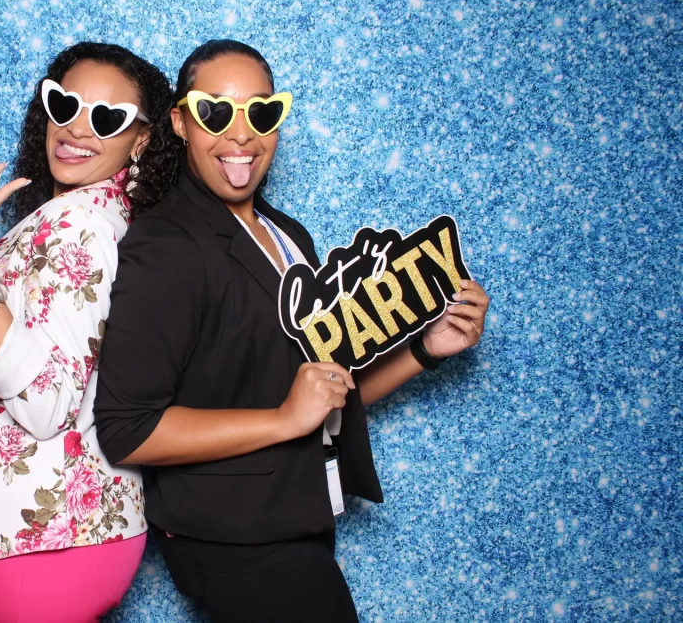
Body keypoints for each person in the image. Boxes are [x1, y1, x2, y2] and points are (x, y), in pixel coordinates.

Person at [93, 39, 491, 623]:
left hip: (295, 521)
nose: (241, 134)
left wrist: (426, 351)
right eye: (215, 112)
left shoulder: (288, 236)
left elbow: (325, 393)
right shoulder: (167, 245)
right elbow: (127, 430)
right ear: (180, 122)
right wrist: (284, 419)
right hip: (233, 539)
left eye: (261, 112)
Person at [0, 42, 180, 623]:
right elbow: (63, 356)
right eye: (65, 104)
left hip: (44, 531)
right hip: (15, 519)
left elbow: (46, 403)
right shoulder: (94, 217)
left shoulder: (79, 222)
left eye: (108, 118)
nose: (78, 127)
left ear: (142, 140)